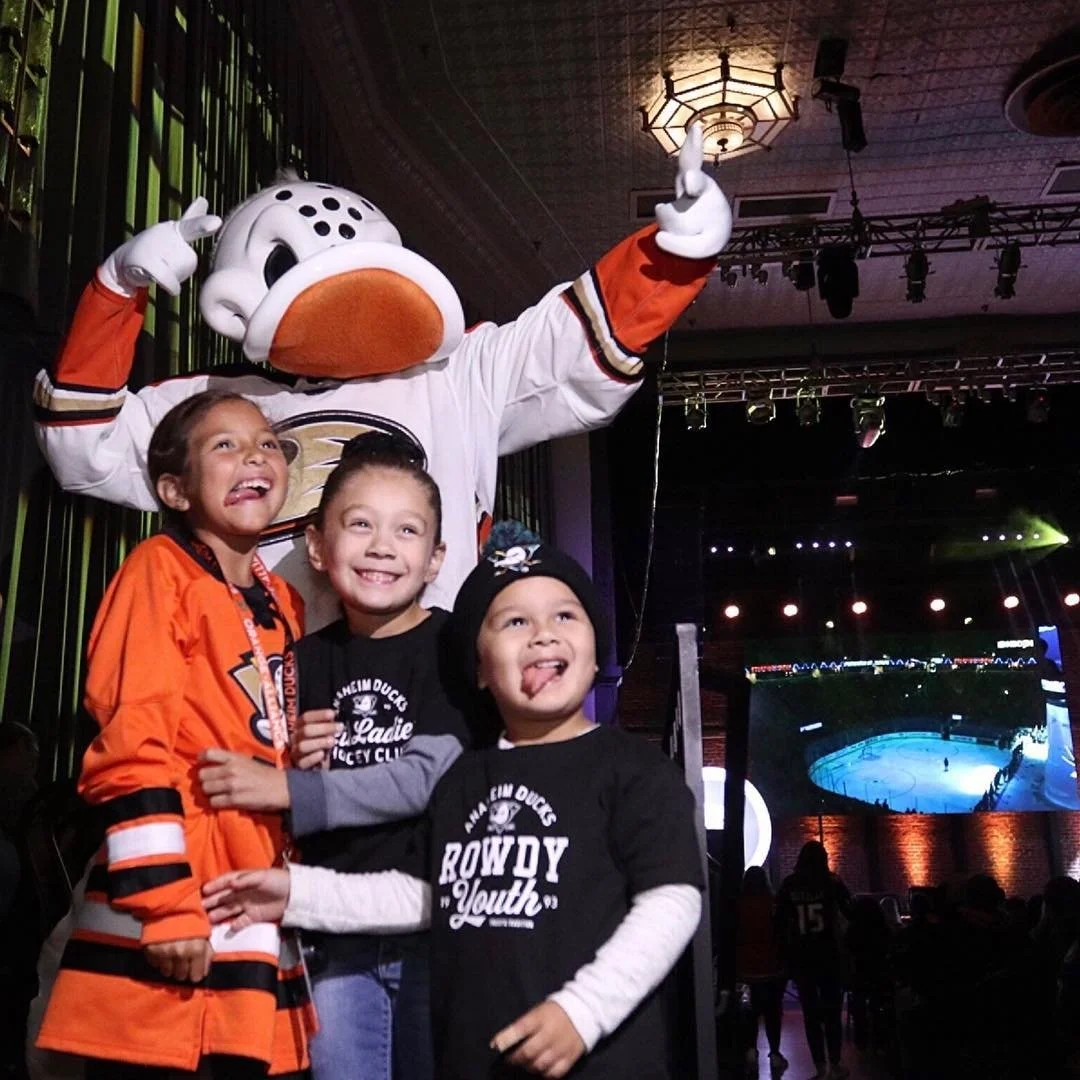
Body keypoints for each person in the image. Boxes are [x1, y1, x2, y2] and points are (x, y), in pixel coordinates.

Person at [203, 525, 705, 1079]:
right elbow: (419, 895)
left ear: (593, 659)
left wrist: (582, 1011)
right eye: (514, 622)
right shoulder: (460, 777)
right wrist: (295, 894)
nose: (542, 634)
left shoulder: (635, 770)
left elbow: (671, 902)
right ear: (480, 671)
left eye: (565, 616)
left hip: (600, 1063)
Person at [34, 390, 310, 1078]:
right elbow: (132, 748)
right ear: (173, 489)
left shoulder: (286, 602)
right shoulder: (159, 571)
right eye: (225, 445)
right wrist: (166, 908)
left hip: (254, 901)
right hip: (178, 909)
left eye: (268, 442)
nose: (255, 454)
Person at [196, 433, 471, 1080]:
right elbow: (273, 796)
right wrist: (295, 768)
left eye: (407, 531)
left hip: (433, 922)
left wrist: (287, 790)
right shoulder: (299, 660)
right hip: (330, 932)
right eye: (359, 525)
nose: (382, 545)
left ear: (435, 559)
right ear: (318, 547)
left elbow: (429, 778)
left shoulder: (454, 648)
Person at [775, 841, 852, 1080]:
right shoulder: (831, 882)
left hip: (801, 958)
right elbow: (850, 911)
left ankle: (820, 1067)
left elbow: (779, 921)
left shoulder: (789, 885)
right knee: (832, 1013)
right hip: (829, 956)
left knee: (810, 1014)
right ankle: (836, 1065)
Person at [735, 866, 788, 1076]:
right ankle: (774, 1054)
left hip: (746, 969)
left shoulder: (739, 905)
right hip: (772, 968)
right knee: (773, 1012)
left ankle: (750, 1050)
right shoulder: (773, 904)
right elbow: (781, 934)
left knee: (749, 1013)